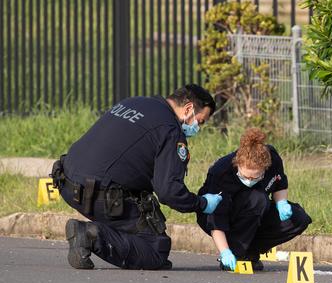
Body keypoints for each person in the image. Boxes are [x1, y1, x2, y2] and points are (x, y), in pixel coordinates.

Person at [52, 84, 224, 271]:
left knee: (142, 206)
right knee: (155, 248)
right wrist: (202, 203)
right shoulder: (170, 130)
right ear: (189, 109)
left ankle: (99, 233)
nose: (198, 128)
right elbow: (168, 192)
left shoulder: (135, 102)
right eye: (201, 121)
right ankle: (90, 235)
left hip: (66, 181)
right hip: (98, 195)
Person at [196, 128, 311, 271]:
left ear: (265, 168)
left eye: (255, 177)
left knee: (299, 218)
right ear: (238, 163)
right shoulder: (221, 172)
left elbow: (279, 184)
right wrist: (225, 251)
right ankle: (237, 253)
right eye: (245, 176)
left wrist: (281, 202)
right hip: (219, 216)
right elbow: (215, 220)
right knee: (257, 198)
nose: (249, 180)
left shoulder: (272, 159)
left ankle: (250, 252)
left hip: (255, 212)